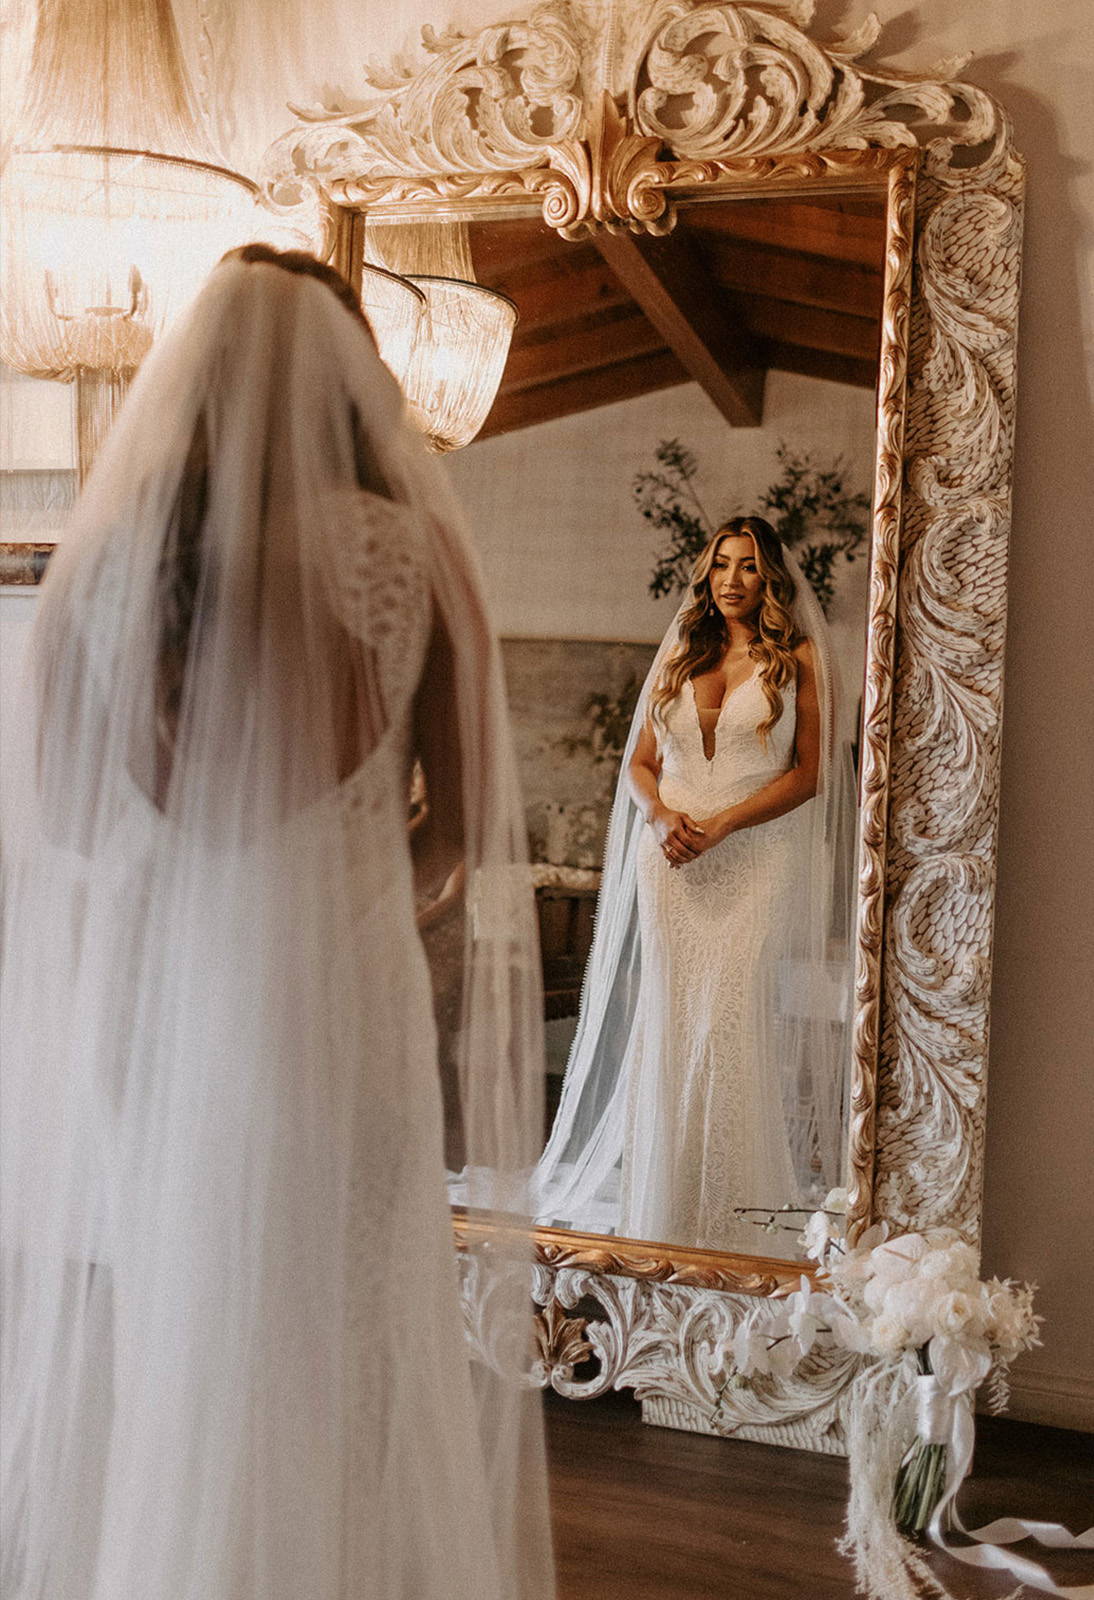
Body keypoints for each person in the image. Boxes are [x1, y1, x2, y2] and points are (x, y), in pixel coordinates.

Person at [0, 247, 552, 1600]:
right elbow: (467, 821)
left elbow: (65, 818)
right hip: (340, 993)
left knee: (189, 1310)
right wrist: (365, 895)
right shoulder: (408, 549)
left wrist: (195, 883)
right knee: (352, 1311)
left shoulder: (106, 561)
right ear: (355, 380)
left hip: (161, 998)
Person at [536, 518, 855, 1254]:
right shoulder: (682, 652)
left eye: (747, 566)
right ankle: (664, 1208)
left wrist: (726, 825)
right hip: (671, 857)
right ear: (706, 575)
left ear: (769, 577)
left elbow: (808, 775)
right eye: (720, 565)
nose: (732, 579)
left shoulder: (799, 657)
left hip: (750, 860)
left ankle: (731, 1223)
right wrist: (658, 818)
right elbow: (641, 762)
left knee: (730, 1017)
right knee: (671, 1019)